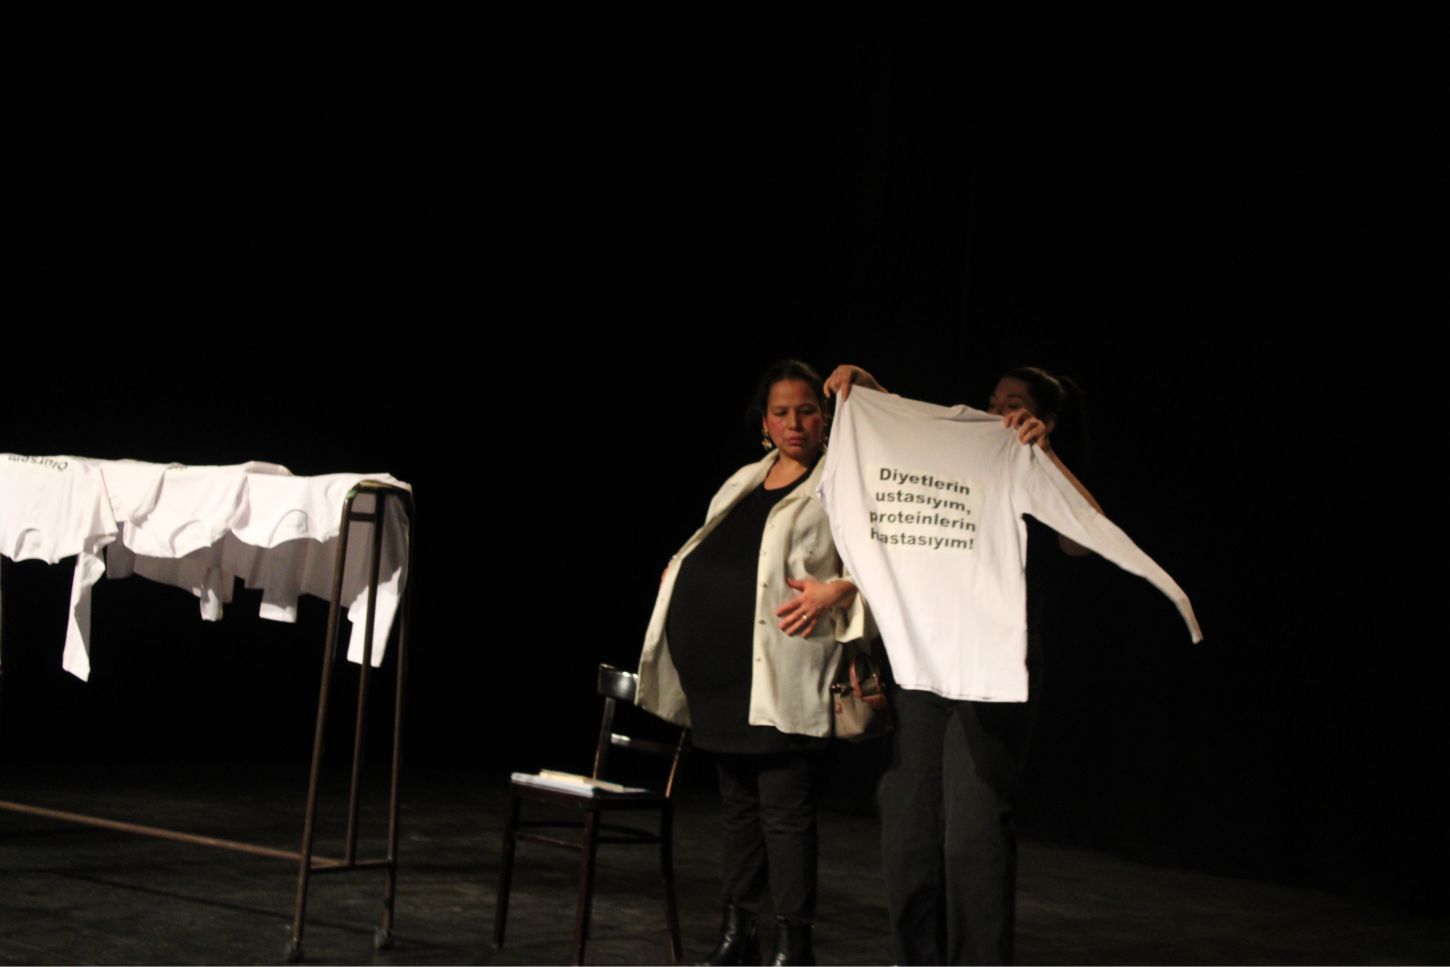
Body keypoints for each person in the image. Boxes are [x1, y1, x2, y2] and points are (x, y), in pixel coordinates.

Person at [823, 362, 1101, 966]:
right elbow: (917, 441)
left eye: (1015, 405)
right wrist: (873, 396)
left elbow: (1083, 540)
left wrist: (1045, 454)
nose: (998, 414)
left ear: (1045, 419)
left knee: (973, 837)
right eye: (995, 402)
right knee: (910, 831)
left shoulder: (1033, 468)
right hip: (927, 662)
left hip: (995, 670)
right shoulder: (969, 456)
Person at [636, 359, 866, 966]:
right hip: (725, 681)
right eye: (782, 413)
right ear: (764, 421)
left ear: (826, 417)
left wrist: (837, 591)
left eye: (807, 411)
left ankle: (795, 945)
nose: (795, 424)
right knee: (738, 810)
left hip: (785, 672)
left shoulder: (843, 481)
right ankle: (739, 934)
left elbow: (879, 567)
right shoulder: (743, 479)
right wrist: (681, 572)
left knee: (785, 814)